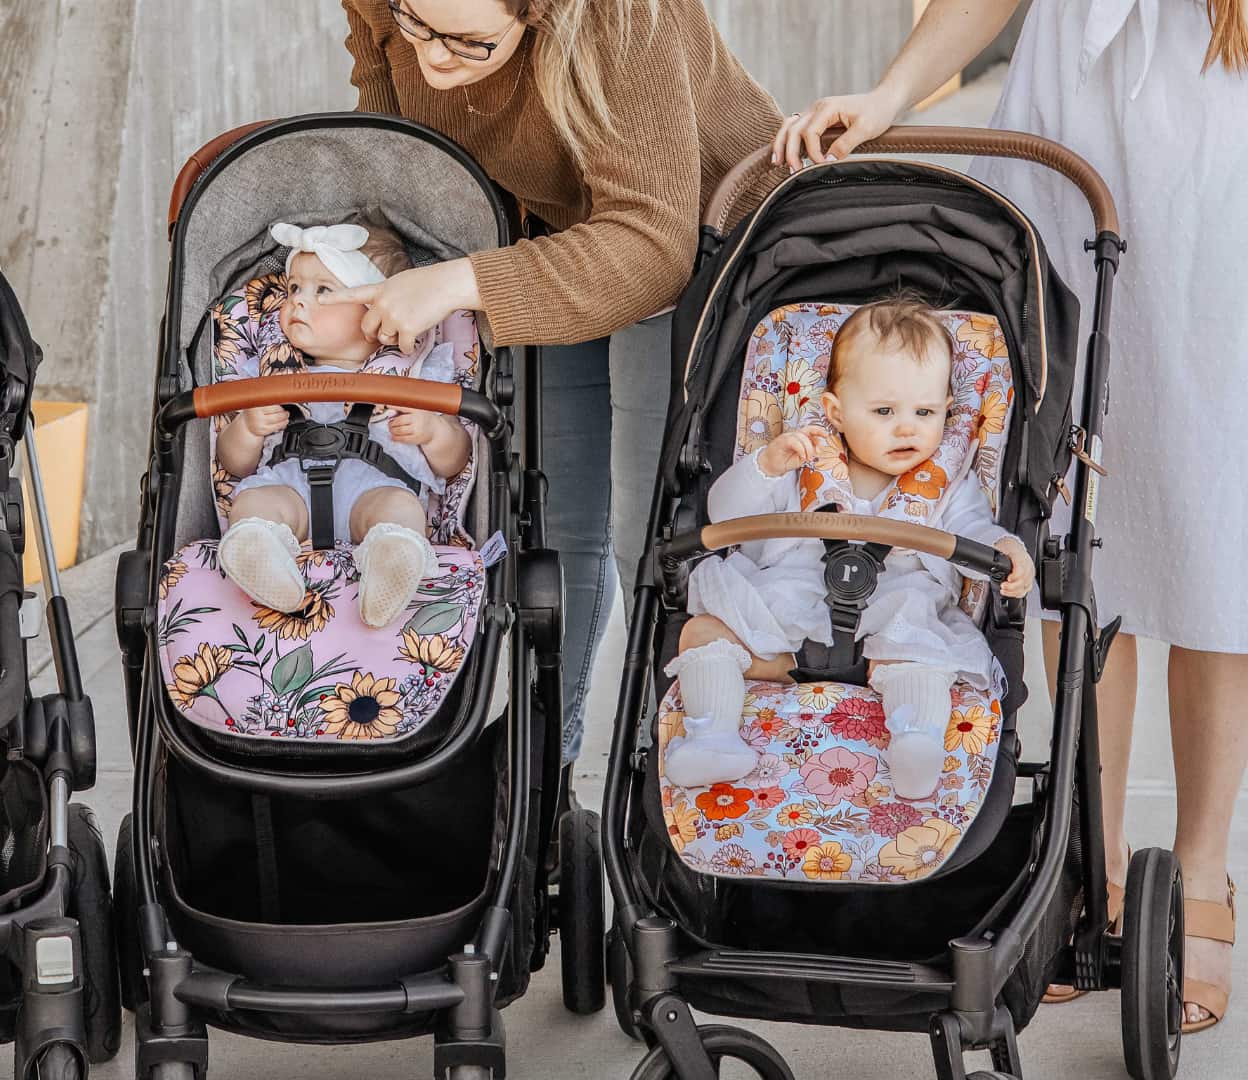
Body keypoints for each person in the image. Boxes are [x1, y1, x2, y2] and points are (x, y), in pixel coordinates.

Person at [777, 0, 1248, 1032]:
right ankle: (1092, 861)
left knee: (1217, 522)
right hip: (1071, 133)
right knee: (1075, 504)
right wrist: (894, 94)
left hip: (1224, 129)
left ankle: (1202, 875)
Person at [336, 0, 782, 763]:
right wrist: (373, 268)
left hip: (699, 244)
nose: (434, 61)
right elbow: (394, 158)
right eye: (416, 26)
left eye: (469, 42)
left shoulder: (624, 17)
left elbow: (651, 244)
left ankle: (667, 778)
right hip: (555, 234)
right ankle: (545, 772)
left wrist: (463, 280)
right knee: (553, 524)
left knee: (660, 541)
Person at [661, 298, 1033, 798]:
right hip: (781, 621)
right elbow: (726, 517)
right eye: (884, 411)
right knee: (704, 630)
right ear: (836, 411)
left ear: (948, 410)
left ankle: (916, 741)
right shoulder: (804, 460)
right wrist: (766, 468)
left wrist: (1009, 548)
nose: (907, 427)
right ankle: (711, 736)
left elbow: (977, 532)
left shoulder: (947, 486)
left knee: (924, 652)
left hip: (893, 619)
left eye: (924, 411)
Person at [217, 221, 472, 628]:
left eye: (323, 291)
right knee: (253, 505)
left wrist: (433, 431)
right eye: (293, 289)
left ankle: (390, 559)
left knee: (398, 509)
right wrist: (247, 429)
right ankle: (258, 552)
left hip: (373, 489)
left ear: (379, 315)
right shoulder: (269, 374)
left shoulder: (415, 375)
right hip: (289, 490)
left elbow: (456, 460)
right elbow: (234, 465)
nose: (298, 302)